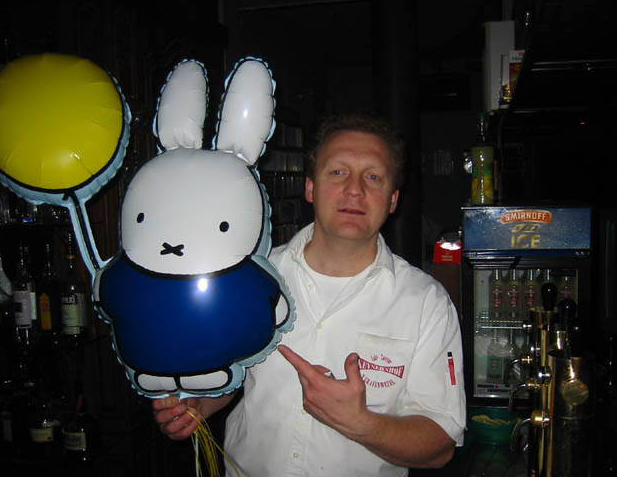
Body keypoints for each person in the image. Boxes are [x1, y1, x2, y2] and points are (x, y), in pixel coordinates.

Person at [152, 112, 466, 476]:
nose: (355, 189)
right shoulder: (252, 279)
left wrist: (360, 422)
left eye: (373, 177)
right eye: (338, 172)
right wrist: (199, 404)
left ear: (393, 200)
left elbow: (440, 445)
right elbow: (234, 373)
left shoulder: (426, 303)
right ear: (310, 188)